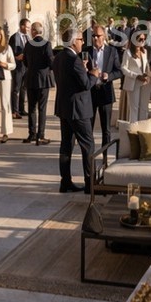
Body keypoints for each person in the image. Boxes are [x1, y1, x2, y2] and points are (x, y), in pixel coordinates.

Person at [53, 26, 95, 192]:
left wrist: (83, 70)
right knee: (88, 145)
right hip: (78, 109)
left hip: (64, 107)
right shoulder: (74, 60)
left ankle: (65, 182)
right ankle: (90, 183)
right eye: (80, 39)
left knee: (66, 146)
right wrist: (93, 74)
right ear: (73, 42)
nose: (83, 42)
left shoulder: (59, 57)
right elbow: (86, 84)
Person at [84, 24, 122, 147]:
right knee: (88, 126)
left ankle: (105, 154)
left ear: (104, 36)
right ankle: (90, 153)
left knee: (106, 128)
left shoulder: (112, 51)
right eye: (93, 35)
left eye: (98, 36)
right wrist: (86, 70)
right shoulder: (86, 51)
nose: (95, 38)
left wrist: (108, 76)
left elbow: (119, 71)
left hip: (105, 92)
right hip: (91, 92)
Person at [23, 22, 54, 145]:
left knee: (31, 108)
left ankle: (32, 134)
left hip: (31, 78)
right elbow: (50, 61)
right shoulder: (46, 44)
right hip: (43, 79)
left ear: (33, 31)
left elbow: (25, 61)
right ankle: (40, 135)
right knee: (42, 108)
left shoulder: (28, 44)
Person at [121, 30, 151, 123]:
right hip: (133, 83)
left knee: (144, 107)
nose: (143, 41)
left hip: (144, 82)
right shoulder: (128, 53)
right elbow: (123, 68)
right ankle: (133, 128)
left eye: (144, 39)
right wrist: (136, 76)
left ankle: (142, 127)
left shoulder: (144, 52)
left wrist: (147, 74)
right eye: (140, 39)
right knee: (134, 108)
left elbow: (145, 66)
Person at [9, 17, 30, 119]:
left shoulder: (28, 38)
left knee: (23, 88)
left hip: (26, 67)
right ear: (22, 26)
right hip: (17, 67)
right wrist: (17, 57)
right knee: (16, 88)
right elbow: (10, 52)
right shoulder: (14, 37)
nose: (29, 29)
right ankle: (14, 110)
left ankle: (22, 109)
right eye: (27, 27)